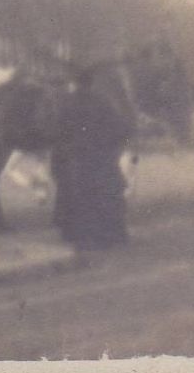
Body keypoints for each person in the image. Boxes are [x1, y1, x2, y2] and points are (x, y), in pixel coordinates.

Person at [52, 64, 134, 251]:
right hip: (101, 156)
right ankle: (109, 234)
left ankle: (80, 235)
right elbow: (121, 128)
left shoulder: (66, 103)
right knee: (106, 193)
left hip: (76, 157)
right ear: (91, 82)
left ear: (74, 82)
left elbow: (57, 131)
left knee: (79, 195)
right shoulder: (102, 102)